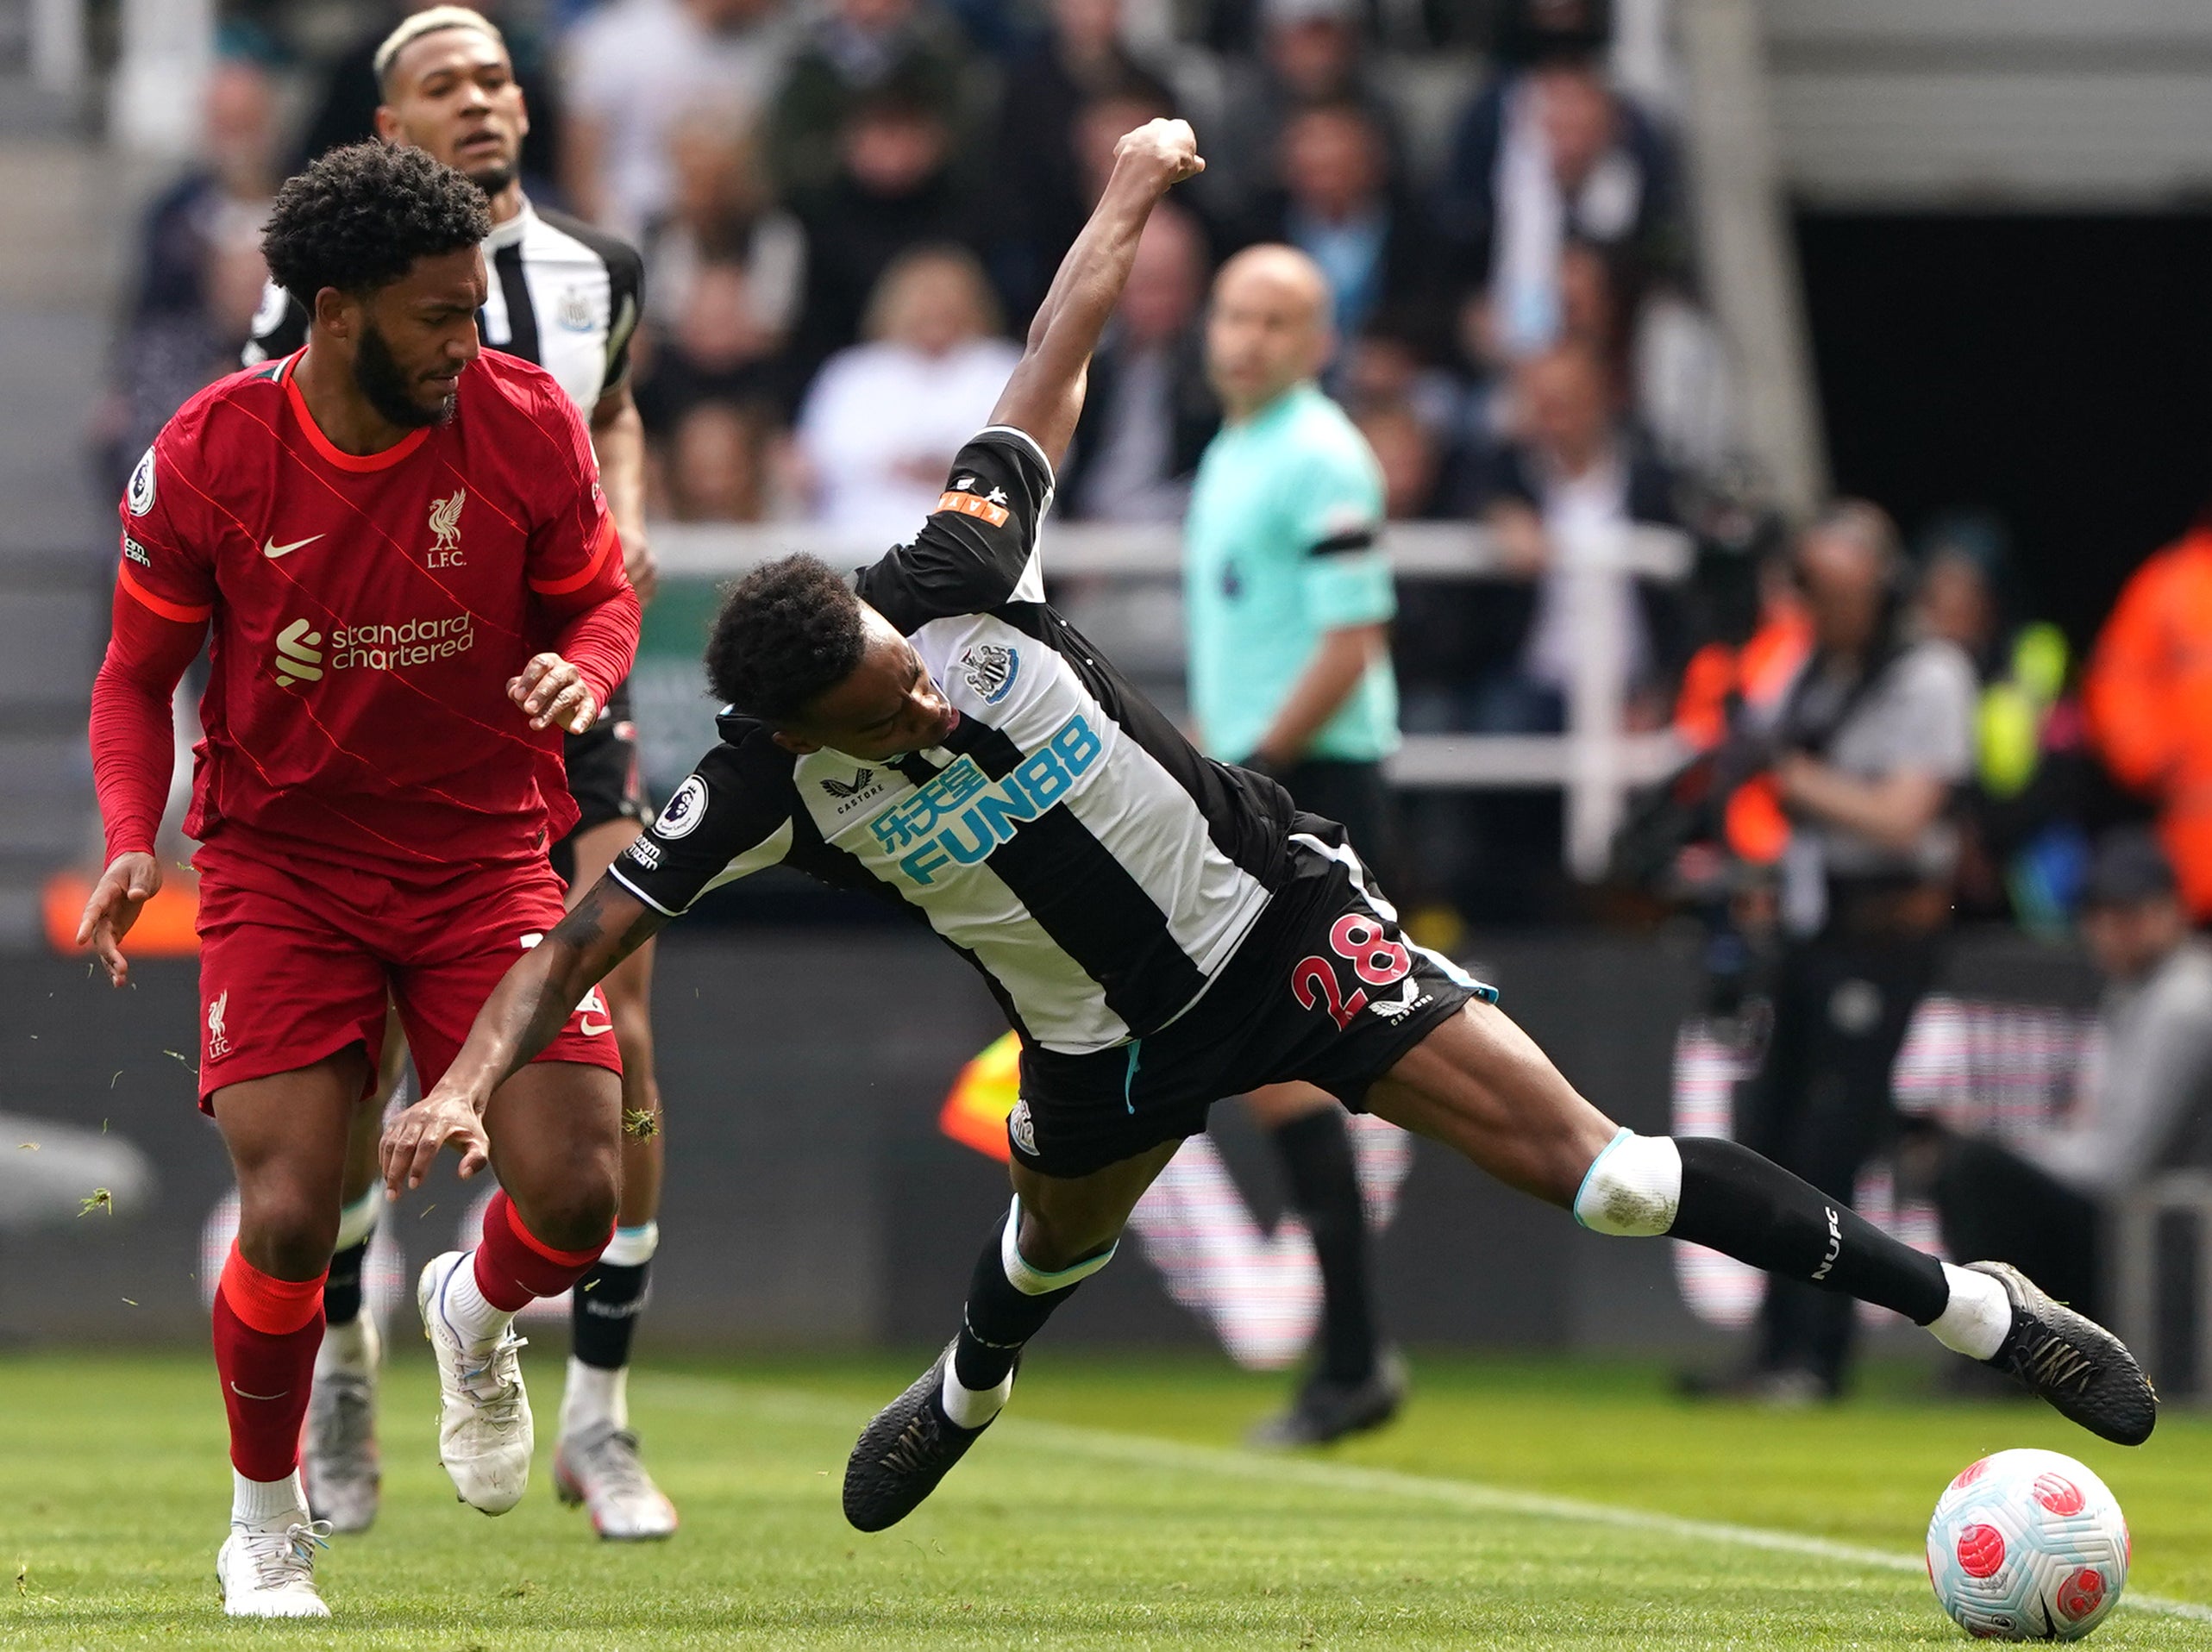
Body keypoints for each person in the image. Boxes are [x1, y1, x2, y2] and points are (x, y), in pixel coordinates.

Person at [382, 117, 2155, 1547]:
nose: (921, 696)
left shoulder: (943, 582)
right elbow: (577, 935)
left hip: (1286, 936)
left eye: (906, 670)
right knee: (1049, 1250)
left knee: (1607, 1176)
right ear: (802, 729)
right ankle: (970, 1390)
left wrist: (1130, 190)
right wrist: (464, 1078)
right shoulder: (768, 782)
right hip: (1099, 1044)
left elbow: (1052, 352)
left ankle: (1979, 1313)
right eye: (885, 705)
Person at [80, 141, 639, 1617]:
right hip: (287, 865)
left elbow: (601, 593)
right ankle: (265, 1520)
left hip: (480, 856)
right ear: (336, 313)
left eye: (477, 309)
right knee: (287, 1215)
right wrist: (136, 829)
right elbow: (135, 679)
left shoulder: (523, 420)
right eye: (442, 315)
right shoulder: (206, 455)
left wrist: (584, 672)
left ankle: (470, 1304)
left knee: (578, 1191)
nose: (474, 339)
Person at [242, 7, 679, 1542]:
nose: (484, 101)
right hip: (400, 706)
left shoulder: (599, 274)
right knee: (356, 1057)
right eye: (446, 83)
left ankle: (601, 1417)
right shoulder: (321, 299)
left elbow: (613, 421)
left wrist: (621, 523)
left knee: (619, 1011)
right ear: (386, 127)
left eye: (497, 76)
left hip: (565, 679)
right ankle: (351, 1356)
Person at [1183, 242, 1404, 1444]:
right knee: (1282, 1070)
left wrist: (1252, 772)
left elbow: (1350, 639)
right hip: (1267, 777)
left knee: (1326, 1061)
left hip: (1315, 782)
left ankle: (1357, 1361)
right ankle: (1354, 1359)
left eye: (1276, 321)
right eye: (1234, 314)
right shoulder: (1236, 451)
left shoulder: (1320, 455)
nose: (1247, 338)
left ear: (1318, 341)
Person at [1706, 502, 1975, 1405]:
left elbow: (1904, 817)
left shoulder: (1928, 673)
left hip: (1886, 932)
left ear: (1877, 583)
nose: (1815, 604)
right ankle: (1773, 1346)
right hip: (1814, 927)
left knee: (1832, 1140)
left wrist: (1792, 782)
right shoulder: (1813, 666)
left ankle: (1819, 1357)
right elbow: (1758, 753)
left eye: (1831, 586)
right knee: (1773, 1136)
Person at [1916, 829, 2212, 1319]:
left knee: (1975, 1170)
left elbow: (2118, 1161)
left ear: (2171, 913)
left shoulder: (2182, 1001)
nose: (2110, 931)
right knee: (1970, 1161)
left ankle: (2019, 1344)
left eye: (2129, 915)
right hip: (2142, 1208)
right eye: (2099, 915)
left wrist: (2006, 1147)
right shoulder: (2136, 990)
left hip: (2161, 1217)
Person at [793, 245, 1021, 539]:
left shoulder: (1005, 368)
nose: (934, 308)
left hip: (984, 547)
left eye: (946, 298)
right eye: (923, 298)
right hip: (863, 547)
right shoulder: (852, 374)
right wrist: (898, 465)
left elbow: (1041, 455)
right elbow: (816, 459)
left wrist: (951, 467)